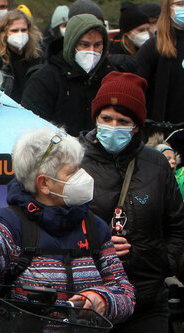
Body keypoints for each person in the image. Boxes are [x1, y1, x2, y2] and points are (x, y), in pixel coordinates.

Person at [0, 127, 135, 324]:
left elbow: (126, 294)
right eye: (72, 172)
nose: (84, 177)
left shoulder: (93, 226)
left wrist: (103, 300)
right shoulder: (12, 225)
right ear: (44, 183)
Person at [80, 71, 184, 331]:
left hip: (147, 300)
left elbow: (177, 225)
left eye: (122, 120)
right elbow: (53, 225)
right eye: (106, 118)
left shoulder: (156, 164)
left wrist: (165, 262)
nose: (113, 126)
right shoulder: (73, 161)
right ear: (95, 118)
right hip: (92, 298)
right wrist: (97, 244)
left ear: (137, 125)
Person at [22, 14, 113, 136]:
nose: (92, 51)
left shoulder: (110, 77)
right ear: (71, 44)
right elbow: (30, 128)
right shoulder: (44, 79)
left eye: (97, 45)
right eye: (85, 45)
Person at [136, 0, 184, 124]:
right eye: (181, 4)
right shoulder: (153, 47)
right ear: (168, 8)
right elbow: (137, 91)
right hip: (166, 133)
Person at [0, 9, 42, 103]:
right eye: (14, 30)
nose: (20, 34)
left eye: (24, 30)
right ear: (3, 33)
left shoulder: (37, 57)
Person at [107, 2, 150, 73]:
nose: (146, 33)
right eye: (141, 30)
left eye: (147, 29)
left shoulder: (148, 52)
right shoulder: (114, 56)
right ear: (127, 33)